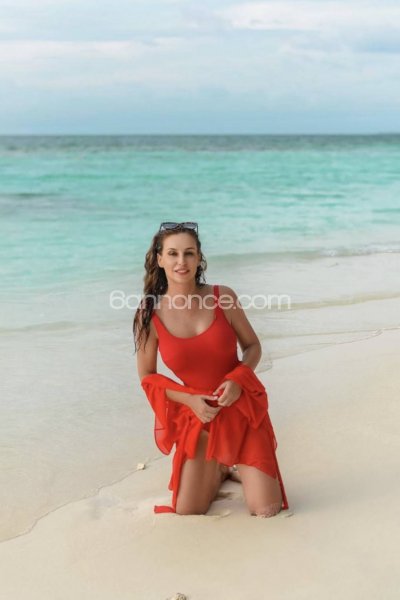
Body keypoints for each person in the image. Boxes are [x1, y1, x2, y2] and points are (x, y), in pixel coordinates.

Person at [133, 221, 289, 517]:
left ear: (199, 258)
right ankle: (220, 469)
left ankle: (230, 464)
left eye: (189, 253)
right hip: (200, 416)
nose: (181, 261)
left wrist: (238, 379)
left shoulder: (223, 297)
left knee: (267, 510)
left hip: (242, 410)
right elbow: (147, 377)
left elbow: (252, 347)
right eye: (173, 253)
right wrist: (190, 400)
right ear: (160, 259)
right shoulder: (149, 313)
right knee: (187, 510)